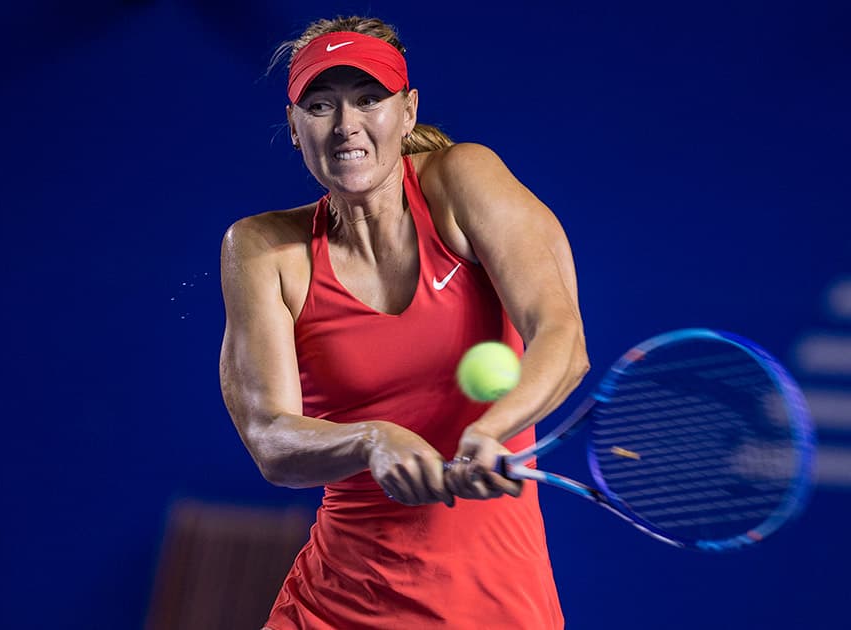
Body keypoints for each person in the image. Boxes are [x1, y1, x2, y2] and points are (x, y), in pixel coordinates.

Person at [219, 15, 589, 630]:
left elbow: (563, 337)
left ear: (408, 111)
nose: (346, 126)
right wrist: (371, 438)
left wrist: (492, 428)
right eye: (320, 106)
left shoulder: (462, 181)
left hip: (494, 606)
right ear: (292, 127)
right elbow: (271, 441)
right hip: (331, 608)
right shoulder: (260, 249)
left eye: (369, 100)